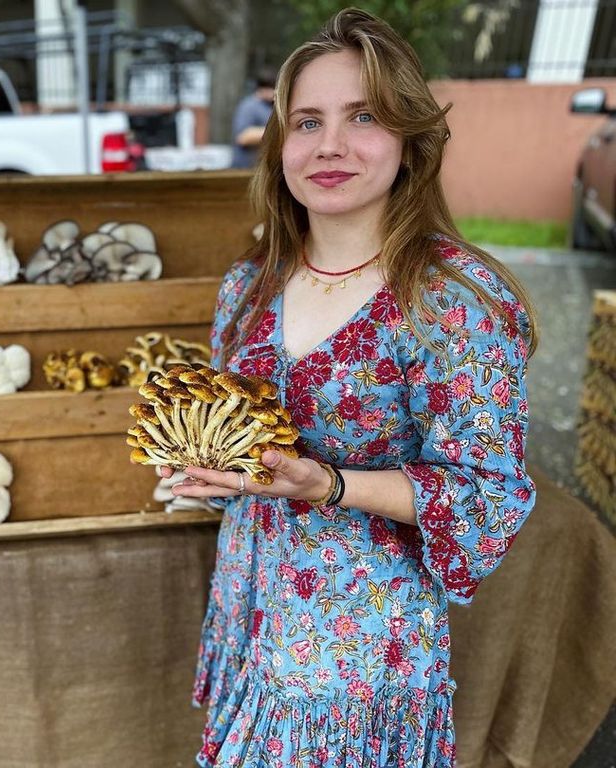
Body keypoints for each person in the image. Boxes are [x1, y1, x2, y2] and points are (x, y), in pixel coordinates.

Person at [168, 8, 538, 767]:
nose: (329, 145)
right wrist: (206, 476)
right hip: (250, 619)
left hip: (360, 655)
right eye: (306, 122)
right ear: (279, 147)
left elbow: (486, 495)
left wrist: (327, 484)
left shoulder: (450, 302)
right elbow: (241, 453)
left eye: (362, 116)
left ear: (408, 139)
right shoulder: (247, 288)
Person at [231, 68, 277, 169]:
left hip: (261, 169)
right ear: (261, 88)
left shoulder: (271, 106)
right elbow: (243, 137)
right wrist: (278, 131)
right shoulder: (250, 106)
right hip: (243, 170)